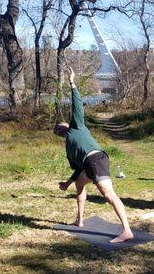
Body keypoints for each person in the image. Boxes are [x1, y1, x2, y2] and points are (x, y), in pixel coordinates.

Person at [53, 68, 133, 243]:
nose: (57, 129)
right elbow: (78, 169)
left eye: (59, 125)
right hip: (87, 164)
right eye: (56, 130)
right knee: (80, 184)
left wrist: (72, 84)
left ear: (67, 124)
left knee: (108, 194)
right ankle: (79, 220)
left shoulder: (76, 126)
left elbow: (76, 106)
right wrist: (67, 183)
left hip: (96, 158)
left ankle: (126, 230)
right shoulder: (69, 147)